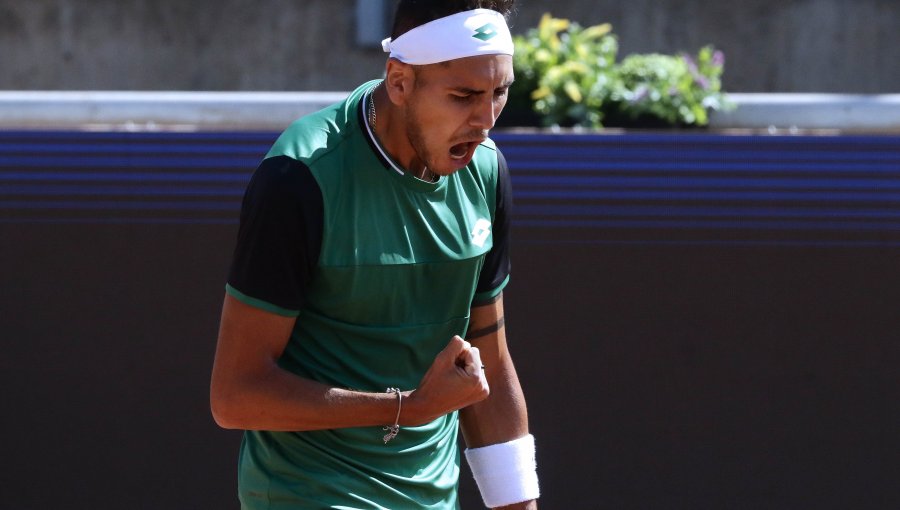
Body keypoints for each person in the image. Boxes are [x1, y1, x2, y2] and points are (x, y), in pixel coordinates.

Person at [210, 1, 539, 508]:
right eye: (463, 96)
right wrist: (406, 408)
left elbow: (487, 367)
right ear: (400, 81)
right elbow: (236, 395)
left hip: (430, 495)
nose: (485, 120)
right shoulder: (298, 179)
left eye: (499, 92)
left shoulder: (487, 172)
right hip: (308, 495)